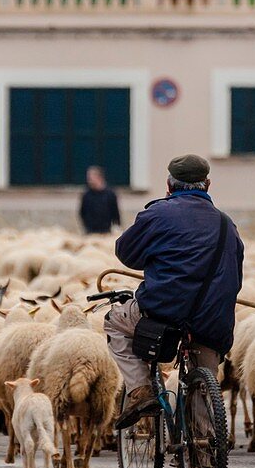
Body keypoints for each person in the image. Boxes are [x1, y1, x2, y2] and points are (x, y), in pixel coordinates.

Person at [104, 154, 244, 429]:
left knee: (114, 322)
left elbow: (126, 252)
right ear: (208, 184)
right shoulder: (227, 224)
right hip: (213, 321)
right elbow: (235, 276)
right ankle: (205, 457)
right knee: (204, 385)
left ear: (169, 184)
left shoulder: (157, 214)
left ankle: (140, 391)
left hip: (163, 311)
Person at [79, 165, 121, 234]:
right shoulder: (87, 195)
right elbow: (82, 212)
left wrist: (117, 226)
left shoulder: (110, 194)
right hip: (90, 231)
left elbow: (115, 212)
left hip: (106, 231)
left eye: (91, 178)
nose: (89, 180)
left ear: (99, 177)